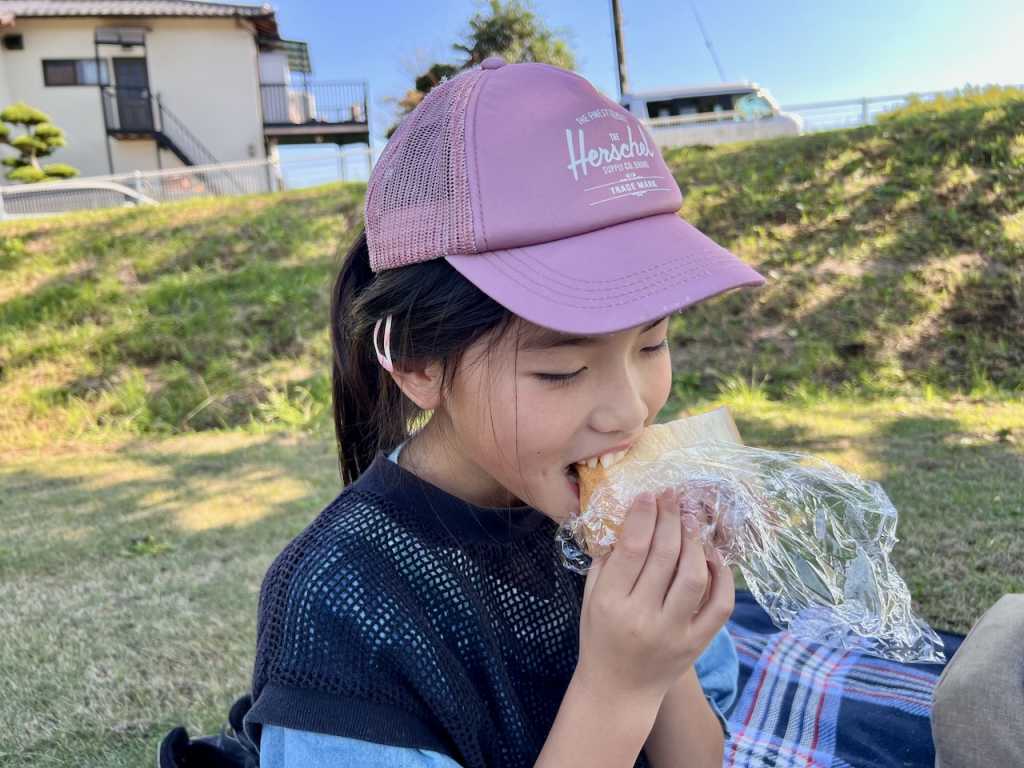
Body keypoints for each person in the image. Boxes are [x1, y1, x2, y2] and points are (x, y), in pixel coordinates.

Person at [242, 55, 768, 768]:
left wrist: (664, 655)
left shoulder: (602, 516)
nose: (628, 412)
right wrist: (616, 689)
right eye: (562, 370)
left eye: (653, 342)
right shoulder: (343, 607)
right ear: (418, 362)